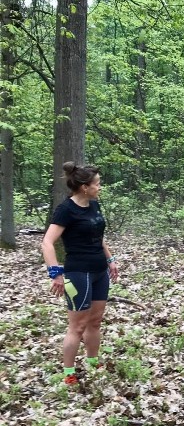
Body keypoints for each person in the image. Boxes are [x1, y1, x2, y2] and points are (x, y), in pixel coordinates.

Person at [42, 162, 119, 385]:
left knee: (95, 321)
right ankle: (68, 373)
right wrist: (55, 273)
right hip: (78, 273)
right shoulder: (66, 210)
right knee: (77, 326)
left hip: (99, 271)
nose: (100, 187)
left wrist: (111, 260)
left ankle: (93, 361)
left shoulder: (94, 206)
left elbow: (98, 234)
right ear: (84, 187)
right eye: (97, 184)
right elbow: (47, 242)